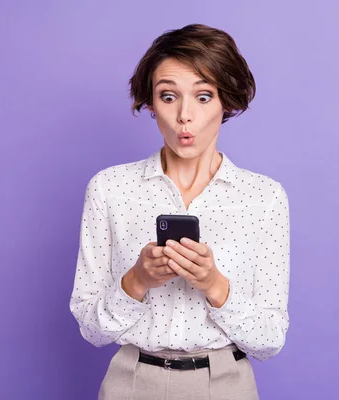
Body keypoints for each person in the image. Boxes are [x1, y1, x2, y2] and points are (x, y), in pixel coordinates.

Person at [69, 23, 290, 400]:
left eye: (203, 96)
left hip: (225, 385)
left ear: (227, 102)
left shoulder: (264, 197)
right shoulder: (110, 189)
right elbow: (92, 329)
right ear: (151, 105)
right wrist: (137, 280)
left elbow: (270, 341)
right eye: (168, 96)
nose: (184, 115)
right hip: (132, 383)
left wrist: (214, 284)